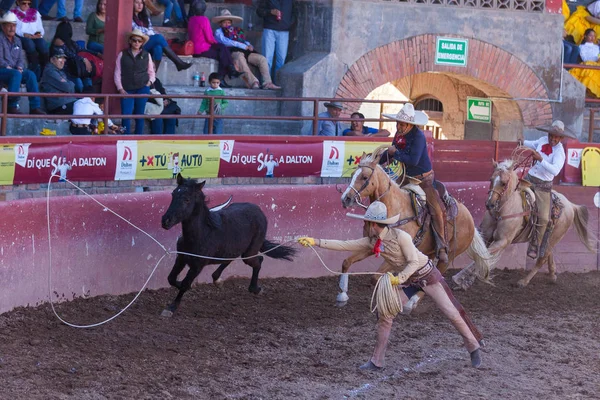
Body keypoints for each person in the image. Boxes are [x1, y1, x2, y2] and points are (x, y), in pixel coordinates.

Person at [297, 201, 483, 370]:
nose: (366, 227)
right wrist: (316, 242)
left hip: (427, 276)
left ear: (374, 224)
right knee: (386, 315)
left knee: (451, 312)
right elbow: (345, 244)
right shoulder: (373, 241)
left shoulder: (401, 236)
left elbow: (412, 262)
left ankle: (473, 346)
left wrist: (399, 278)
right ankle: (377, 361)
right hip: (409, 280)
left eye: (368, 223)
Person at [380, 103, 448, 263]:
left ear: (410, 124)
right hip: (406, 177)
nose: (399, 126)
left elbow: (413, 159)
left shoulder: (418, 136)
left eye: (402, 124)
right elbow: (391, 151)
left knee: (435, 209)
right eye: (398, 123)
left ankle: (442, 246)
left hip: (424, 179)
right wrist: (378, 161)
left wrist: (395, 152)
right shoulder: (399, 134)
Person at [522, 120, 574, 259]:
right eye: (551, 135)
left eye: (556, 137)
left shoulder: (560, 152)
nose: (552, 138)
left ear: (561, 138)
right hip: (529, 178)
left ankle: (534, 244)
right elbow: (532, 144)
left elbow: (555, 171)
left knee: (544, 218)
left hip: (542, 186)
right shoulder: (542, 139)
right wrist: (522, 142)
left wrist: (540, 159)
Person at [213, 9, 281, 90]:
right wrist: (242, 46)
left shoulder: (235, 31)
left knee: (261, 59)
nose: (227, 24)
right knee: (240, 58)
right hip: (232, 52)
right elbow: (226, 42)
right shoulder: (218, 32)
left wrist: (249, 45)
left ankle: (267, 83)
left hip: (245, 51)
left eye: (229, 22)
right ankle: (254, 82)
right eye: (224, 22)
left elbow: (243, 40)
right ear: (220, 23)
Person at [0, 11, 45, 115]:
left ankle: (35, 107)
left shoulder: (17, 40)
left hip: (13, 70)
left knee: (30, 74)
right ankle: (11, 105)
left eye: (14, 25)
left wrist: (20, 66)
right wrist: (7, 66)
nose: (12, 28)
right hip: (2, 70)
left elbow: (20, 58)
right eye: (9, 26)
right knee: (15, 74)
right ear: (3, 27)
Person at [114, 29, 155, 135]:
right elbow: (117, 72)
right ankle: (125, 137)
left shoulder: (147, 55)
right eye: (134, 40)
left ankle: (138, 137)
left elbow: (151, 72)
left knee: (139, 115)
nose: (137, 43)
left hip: (142, 87)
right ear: (130, 41)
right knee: (125, 115)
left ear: (142, 43)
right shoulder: (122, 54)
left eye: (139, 41)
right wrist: (120, 88)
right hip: (127, 88)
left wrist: (149, 83)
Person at [187, 1, 240, 83]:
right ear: (204, 10)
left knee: (222, 49)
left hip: (194, 48)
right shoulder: (204, 20)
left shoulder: (191, 20)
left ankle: (230, 70)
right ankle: (224, 76)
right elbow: (209, 38)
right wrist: (217, 44)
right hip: (202, 49)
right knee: (222, 52)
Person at [132, 0, 191, 72]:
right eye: (137, 3)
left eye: (141, 3)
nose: (139, 5)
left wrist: (149, 35)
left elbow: (151, 31)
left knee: (158, 47)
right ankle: (178, 62)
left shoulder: (145, 18)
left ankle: (152, 76)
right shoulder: (130, 17)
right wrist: (149, 35)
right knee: (159, 37)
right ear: (132, 4)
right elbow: (138, 31)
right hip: (138, 44)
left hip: (147, 42)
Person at [256, 0, 296, 81]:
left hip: (284, 31)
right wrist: (270, 12)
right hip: (269, 29)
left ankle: (277, 83)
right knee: (267, 58)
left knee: (281, 60)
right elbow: (259, 11)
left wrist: (288, 24)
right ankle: (266, 82)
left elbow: (295, 13)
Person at [50, 20, 93, 92]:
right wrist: (84, 59)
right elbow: (69, 55)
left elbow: (82, 50)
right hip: (64, 71)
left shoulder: (70, 42)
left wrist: (97, 53)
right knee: (79, 84)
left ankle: (88, 102)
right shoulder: (58, 42)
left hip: (75, 70)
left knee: (88, 81)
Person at [11, 0, 48, 79]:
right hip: (21, 35)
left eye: (29, 3)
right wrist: (24, 34)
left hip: (34, 36)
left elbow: (40, 27)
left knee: (43, 45)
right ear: (18, 2)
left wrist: (39, 34)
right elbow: (14, 28)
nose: (26, 5)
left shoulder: (35, 13)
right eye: (24, 3)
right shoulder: (13, 13)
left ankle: (44, 69)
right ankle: (34, 67)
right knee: (29, 44)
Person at [40, 48, 77, 115]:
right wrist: (70, 84)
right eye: (59, 58)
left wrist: (69, 85)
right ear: (52, 60)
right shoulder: (50, 71)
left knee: (87, 104)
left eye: (64, 58)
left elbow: (70, 88)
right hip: (58, 106)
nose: (63, 61)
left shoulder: (60, 71)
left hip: (67, 101)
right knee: (83, 107)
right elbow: (68, 87)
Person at [570, 28, 600, 96]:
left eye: (594, 36)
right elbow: (584, 58)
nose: (592, 38)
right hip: (588, 63)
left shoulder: (597, 47)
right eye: (590, 35)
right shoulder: (581, 47)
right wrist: (596, 58)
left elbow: (599, 55)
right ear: (585, 36)